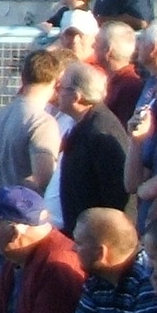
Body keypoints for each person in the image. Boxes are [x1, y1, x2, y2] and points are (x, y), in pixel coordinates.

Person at [36, 208, 157, 313]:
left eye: (79, 243)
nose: (72, 248)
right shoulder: (96, 281)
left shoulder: (147, 279)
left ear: (101, 252)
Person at [55, 61, 134, 232]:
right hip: (82, 235)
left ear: (76, 96)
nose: (57, 92)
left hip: (99, 239)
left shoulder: (101, 133)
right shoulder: (84, 125)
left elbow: (117, 197)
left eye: (61, 87)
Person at [0, 48, 65, 199]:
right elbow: (43, 179)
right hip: (21, 216)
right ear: (57, 82)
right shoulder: (42, 122)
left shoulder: (1, 114)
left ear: (22, 78)